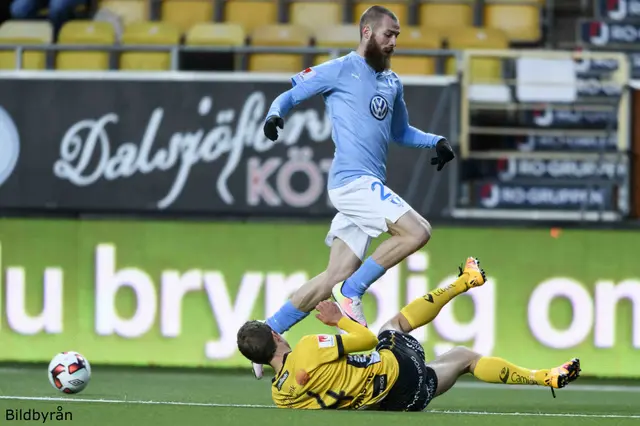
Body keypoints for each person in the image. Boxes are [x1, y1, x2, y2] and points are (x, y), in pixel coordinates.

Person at [253, 4, 455, 379]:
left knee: (330, 277)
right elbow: (290, 96)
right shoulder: (341, 68)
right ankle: (354, 289)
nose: (394, 42)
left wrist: (436, 142)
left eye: (396, 36)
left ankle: (269, 332)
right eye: (388, 34)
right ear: (367, 33)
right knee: (417, 231)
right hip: (352, 182)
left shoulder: (391, 82)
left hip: (367, 188)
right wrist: (273, 115)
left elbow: (400, 132)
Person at [237, 258, 582, 410]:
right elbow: (368, 340)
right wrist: (337, 319)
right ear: (276, 335)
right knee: (392, 327)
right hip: (396, 370)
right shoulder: (310, 347)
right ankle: (466, 280)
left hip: (401, 402)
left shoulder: (281, 397)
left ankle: (546, 377)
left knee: (464, 358)